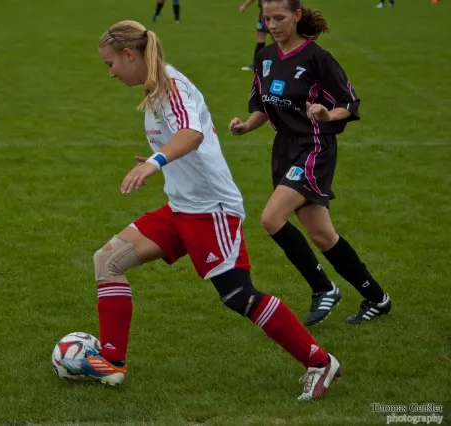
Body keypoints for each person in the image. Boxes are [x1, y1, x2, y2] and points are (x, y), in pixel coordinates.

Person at [59, 19, 341, 401]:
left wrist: (155, 163)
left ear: (129, 55)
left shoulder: (169, 87)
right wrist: (163, 159)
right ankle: (112, 362)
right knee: (107, 260)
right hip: (182, 206)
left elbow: (191, 134)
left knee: (238, 295)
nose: (110, 73)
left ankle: (320, 362)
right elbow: (184, 139)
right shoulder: (155, 88)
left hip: (211, 209)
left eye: (110, 64)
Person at [229, 0, 392, 326]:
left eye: (279, 18)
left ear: (297, 16)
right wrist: (245, 126)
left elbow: (349, 102)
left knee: (271, 218)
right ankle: (378, 298)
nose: (272, 25)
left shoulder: (317, 58)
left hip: (315, 146)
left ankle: (323, 288)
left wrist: (327, 114)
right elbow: (263, 106)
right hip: (284, 149)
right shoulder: (265, 58)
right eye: (267, 19)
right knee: (322, 235)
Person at [239, 0, 272, 70]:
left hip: (274, 13)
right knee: (260, 38)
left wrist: (244, 5)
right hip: (264, 14)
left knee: (277, 40)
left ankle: (278, 63)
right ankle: (257, 64)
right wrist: (245, 5)